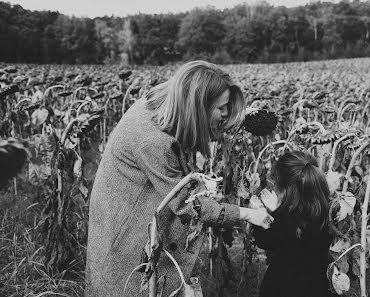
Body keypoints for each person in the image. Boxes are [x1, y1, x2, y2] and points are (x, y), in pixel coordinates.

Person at [85, 60, 273, 297]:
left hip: (125, 206)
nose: (225, 114)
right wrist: (247, 214)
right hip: (126, 221)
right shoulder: (153, 142)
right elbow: (186, 204)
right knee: (129, 284)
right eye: (222, 108)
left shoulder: (166, 104)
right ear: (198, 107)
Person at [252, 151, 331, 297]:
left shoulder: (286, 216)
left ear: (284, 187)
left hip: (283, 286)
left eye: (275, 183)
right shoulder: (325, 209)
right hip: (317, 287)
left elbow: (264, 241)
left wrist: (261, 215)